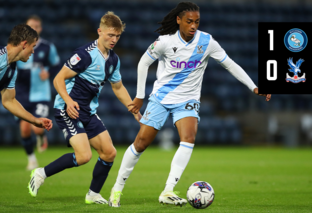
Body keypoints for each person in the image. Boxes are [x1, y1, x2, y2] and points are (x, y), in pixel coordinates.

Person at [109, 2, 271, 207]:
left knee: (188, 138)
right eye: (189, 21)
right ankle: (117, 188)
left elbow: (229, 63)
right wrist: (140, 96)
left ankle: (168, 190)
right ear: (179, 20)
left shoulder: (207, 42)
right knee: (141, 143)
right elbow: (143, 63)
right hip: (161, 98)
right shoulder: (165, 42)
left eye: (197, 21)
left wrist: (254, 87)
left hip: (188, 100)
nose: (193, 26)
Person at [28, 11, 141, 205]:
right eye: (110, 35)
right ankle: (40, 173)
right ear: (99, 31)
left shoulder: (113, 60)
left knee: (109, 152)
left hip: (88, 112)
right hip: (67, 109)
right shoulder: (85, 55)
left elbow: (118, 87)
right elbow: (58, 79)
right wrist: (68, 101)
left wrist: (135, 110)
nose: (114, 40)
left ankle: (93, 194)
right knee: (84, 156)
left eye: (117, 36)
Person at [16, 15, 60, 171]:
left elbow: (56, 65)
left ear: (40, 29)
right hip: (21, 94)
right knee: (25, 128)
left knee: (37, 127)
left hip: (41, 94)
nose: (34, 28)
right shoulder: (18, 46)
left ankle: (41, 137)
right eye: (31, 26)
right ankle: (32, 160)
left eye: (37, 26)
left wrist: (48, 72)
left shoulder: (48, 47)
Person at [0, 24, 52, 133]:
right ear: (24, 44)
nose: (33, 51)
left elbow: (9, 101)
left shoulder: (12, 70)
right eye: (32, 46)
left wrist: (34, 120)